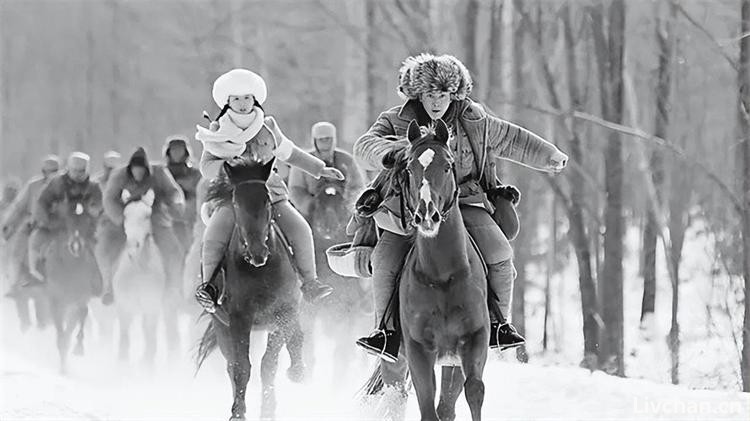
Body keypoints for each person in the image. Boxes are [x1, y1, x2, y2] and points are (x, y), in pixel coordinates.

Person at [352, 53, 569, 362]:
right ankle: (385, 332)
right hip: (408, 208)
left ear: (454, 94)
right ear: (418, 94)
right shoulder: (396, 120)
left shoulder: (474, 121)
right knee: (385, 260)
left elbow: (512, 139)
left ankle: (498, 325)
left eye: (443, 94)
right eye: (429, 94)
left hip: (465, 202)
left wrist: (549, 156)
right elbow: (364, 146)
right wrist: (387, 153)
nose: (436, 101)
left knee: (500, 254)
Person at [194, 68, 345, 312]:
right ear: (227, 102)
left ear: (255, 99)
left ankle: (310, 283)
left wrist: (320, 169)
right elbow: (206, 166)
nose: (243, 104)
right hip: (233, 197)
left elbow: (290, 153)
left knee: (300, 229)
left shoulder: (268, 126)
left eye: (247, 98)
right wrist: (230, 166)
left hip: (270, 193)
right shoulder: (216, 129)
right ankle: (209, 287)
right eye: (236, 99)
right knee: (213, 234)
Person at [99, 147, 185, 301]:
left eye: (141, 170)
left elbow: (173, 192)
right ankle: (108, 285)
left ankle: (174, 287)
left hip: (154, 216)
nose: (138, 173)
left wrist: (176, 204)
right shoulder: (118, 175)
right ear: (130, 169)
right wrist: (120, 217)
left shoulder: (159, 173)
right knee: (105, 246)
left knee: (173, 249)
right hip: (125, 216)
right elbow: (109, 199)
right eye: (135, 170)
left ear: (146, 169)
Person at [27, 152, 102, 284]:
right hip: (57, 224)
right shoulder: (57, 183)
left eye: (81, 171)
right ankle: (35, 273)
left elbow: (99, 206)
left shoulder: (93, 187)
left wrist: (94, 212)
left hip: (84, 227)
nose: (78, 174)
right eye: (75, 170)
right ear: (69, 168)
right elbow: (41, 202)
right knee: (36, 239)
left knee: (99, 247)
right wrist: (46, 221)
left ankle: (100, 279)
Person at [1, 156, 61, 285]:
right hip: (33, 224)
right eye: (48, 171)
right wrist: (8, 224)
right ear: (43, 171)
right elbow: (19, 208)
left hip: (58, 226)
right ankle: (16, 283)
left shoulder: (65, 187)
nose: (51, 174)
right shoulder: (33, 185)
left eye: (54, 171)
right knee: (17, 252)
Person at [288, 121, 365, 217]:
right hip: (312, 210)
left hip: (343, 209)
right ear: (315, 141)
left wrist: (348, 204)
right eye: (321, 140)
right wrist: (309, 205)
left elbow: (357, 186)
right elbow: (296, 189)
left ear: (334, 140)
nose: (325, 143)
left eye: (328, 139)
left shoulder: (347, 160)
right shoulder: (304, 161)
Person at [163, 135, 202, 246]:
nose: (176, 153)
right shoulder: (162, 172)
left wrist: (188, 188)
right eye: (174, 150)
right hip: (167, 217)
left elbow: (201, 194)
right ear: (168, 152)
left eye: (179, 150)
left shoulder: (195, 174)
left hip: (190, 219)